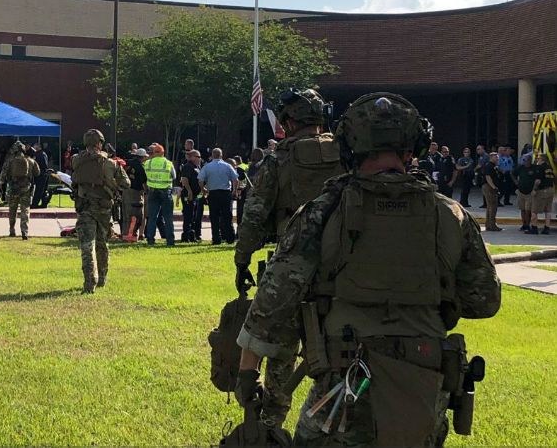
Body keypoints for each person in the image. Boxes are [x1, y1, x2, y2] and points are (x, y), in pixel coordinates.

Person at [235, 92, 501, 446]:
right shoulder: (450, 215)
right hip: (423, 385)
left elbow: (272, 302)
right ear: (414, 148)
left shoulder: (322, 212)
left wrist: (246, 372)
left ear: (349, 146)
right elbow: (484, 301)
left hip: (344, 385)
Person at [233, 88, 346, 427]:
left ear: (289, 121)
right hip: (343, 267)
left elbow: (254, 216)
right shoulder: (347, 154)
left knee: (281, 349)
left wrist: (242, 260)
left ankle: (272, 422)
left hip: (291, 264)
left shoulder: (279, 159)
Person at [72, 129, 129, 293]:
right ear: (100, 143)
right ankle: (102, 278)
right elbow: (126, 183)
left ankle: (89, 282)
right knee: (102, 243)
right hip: (103, 208)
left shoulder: (77, 160)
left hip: (84, 207)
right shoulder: (110, 163)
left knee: (86, 245)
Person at [0, 141, 40, 239]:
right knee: (25, 210)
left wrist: (0, 183)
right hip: (26, 188)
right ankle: (24, 232)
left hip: (13, 188)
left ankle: (12, 230)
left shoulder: (10, 161)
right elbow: (37, 173)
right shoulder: (30, 160)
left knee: (12, 210)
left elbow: (3, 174)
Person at [198, 148, 238, 245]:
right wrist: (234, 190)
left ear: (212, 155)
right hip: (225, 193)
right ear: (221, 155)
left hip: (213, 194)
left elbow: (200, 179)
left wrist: (203, 189)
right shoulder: (227, 166)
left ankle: (216, 238)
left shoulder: (207, 167)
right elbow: (235, 179)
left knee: (214, 217)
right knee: (227, 216)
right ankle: (230, 238)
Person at [143, 144, 176, 246]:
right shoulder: (168, 163)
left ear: (153, 153)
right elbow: (174, 176)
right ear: (162, 152)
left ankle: (150, 240)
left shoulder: (147, 163)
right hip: (165, 192)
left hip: (152, 192)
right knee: (168, 218)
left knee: (152, 217)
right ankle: (170, 241)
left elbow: (145, 176)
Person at [122, 147, 148, 241]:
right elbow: (144, 182)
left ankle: (125, 234)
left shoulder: (127, 163)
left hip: (125, 191)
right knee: (135, 214)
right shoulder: (140, 167)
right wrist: (146, 192)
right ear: (142, 157)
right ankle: (131, 236)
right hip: (135, 193)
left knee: (126, 214)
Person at [179, 149, 204, 243]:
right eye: (198, 157)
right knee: (188, 215)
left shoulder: (197, 167)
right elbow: (184, 179)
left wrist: (203, 190)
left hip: (196, 195)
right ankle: (185, 236)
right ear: (192, 157)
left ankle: (192, 235)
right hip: (188, 195)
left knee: (194, 216)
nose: (200, 159)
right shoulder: (188, 166)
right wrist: (189, 191)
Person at [530, 154, 555, 234]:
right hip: (551, 190)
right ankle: (547, 228)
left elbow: (538, 181)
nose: (537, 160)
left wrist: (534, 190)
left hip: (542, 191)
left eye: (538, 158)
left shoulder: (540, 168)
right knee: (548, 211)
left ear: (542, 159)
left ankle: (534, 228)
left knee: (534, 210)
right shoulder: (549, 168)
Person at [513, 154, 536, 231]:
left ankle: (528, 224)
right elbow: (512, 173)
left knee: (528, 210)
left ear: (530, 160)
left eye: (526, 160)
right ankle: (524, 224)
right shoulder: (520, 168)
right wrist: (516, 182)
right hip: (521, 192)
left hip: (529, 193)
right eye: (524, 160)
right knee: (522, 209)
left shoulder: (534, 168)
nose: (525, 162)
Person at [483, 152, 503, 231]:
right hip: (489, 187)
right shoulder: (489, 166)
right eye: (496, 157)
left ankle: (488, 224)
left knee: (490, 206)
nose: (497, 159)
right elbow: (488, 177)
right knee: (492, 206)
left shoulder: (494, 166)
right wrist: (493, 187)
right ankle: (492, 225)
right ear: (491, 157)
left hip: (491, 187)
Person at [31, 143, 50, 208]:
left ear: (38, 147)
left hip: (42, 175)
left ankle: (35, 204)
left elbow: (44, 165)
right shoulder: (38, 153)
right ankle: (43, 204)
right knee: (41, 190)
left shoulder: (42, 154)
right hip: (39, 174)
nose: (33, 147)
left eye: (34, 146)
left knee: (39, 190)